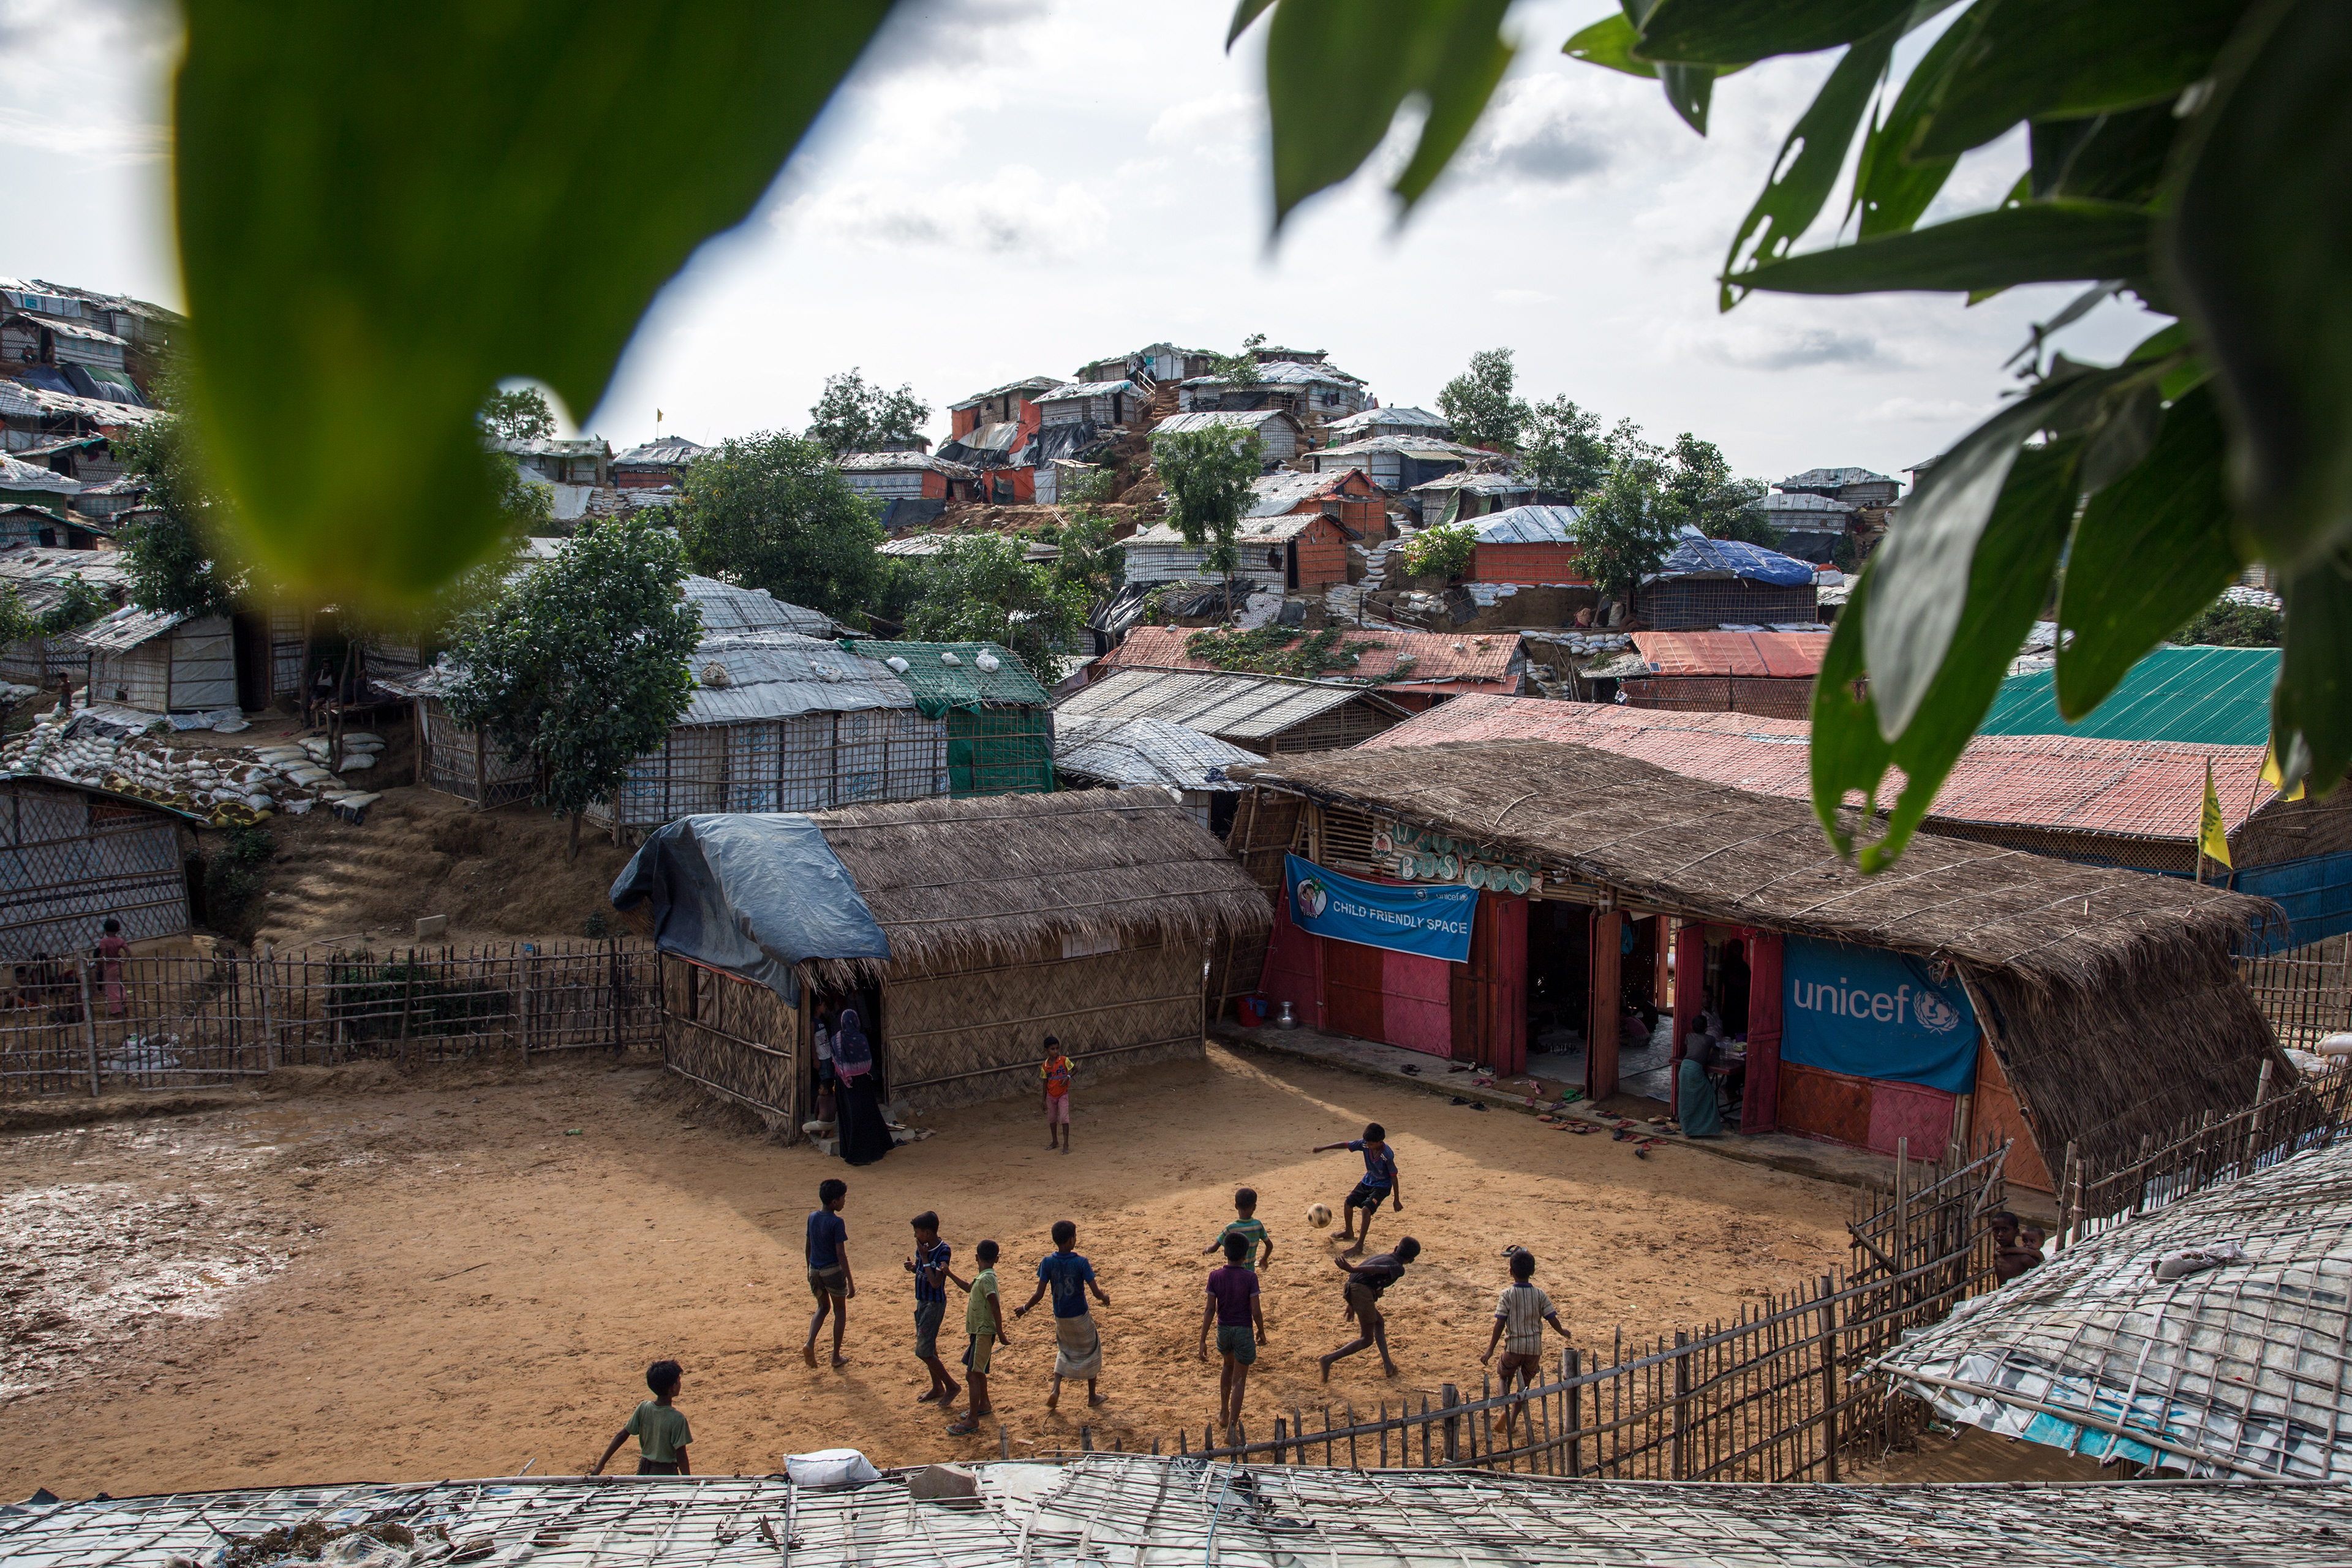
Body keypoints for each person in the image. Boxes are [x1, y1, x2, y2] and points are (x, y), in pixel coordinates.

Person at [1013, 1219, 1110, 1411]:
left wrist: (1025, 1308)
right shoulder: (1081, 1262)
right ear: (1071, 1240)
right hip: (1080, 1315)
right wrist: (1104, 1298)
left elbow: (1039, 1294)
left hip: (1060, 1316)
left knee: (1064, 1350)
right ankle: (1092, 1396)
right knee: (1092, 1349)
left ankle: (1056, 1389)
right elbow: (1095, 1292)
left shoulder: (1048, 1262)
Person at [1481, 1249, 1568, 1438]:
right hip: (1534, 1349)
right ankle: (1512, 1423)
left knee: (1504, 1378)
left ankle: (1504, 1408)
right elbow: (1552, 1319)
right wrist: (1563, 1332)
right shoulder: (1540, 1295)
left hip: (1514, 1347)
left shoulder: (1507, 1294)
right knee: (1524, 1386)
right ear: (1533, 1272)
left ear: (1510, 1271)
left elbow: (1500, 1323)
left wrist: (1490, 1350)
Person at [1319, 1237, 1420, 1381]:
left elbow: (1358, 1277)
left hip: (1354, 1287)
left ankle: (1388, 1365)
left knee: (1379, 1322)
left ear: (1396, 1248)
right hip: (1361, 1291)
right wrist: (1352, 1269)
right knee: (1366, 1339)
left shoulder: (1383, 1257)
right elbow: (1375, 1270)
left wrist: (1351, 1301)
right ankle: (1328, 1359)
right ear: (1411, 1260)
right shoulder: (1398, 1268)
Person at [1197, 1231, 1267, 1433]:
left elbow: (1210, 1310)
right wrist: (1261, 1331)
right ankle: (1232, 1428)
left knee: (1227, 1366)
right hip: (1243, 1331)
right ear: (1246, 1256)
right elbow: (1256, 1311)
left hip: (1224, 1330)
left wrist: (1202, 1340)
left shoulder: (1215, 1276)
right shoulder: (1250, 1278)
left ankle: (1223, 1413)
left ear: (1225, 1253)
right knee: (1239, 1380)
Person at [945, 1238, 1011, 1437]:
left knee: (972, 1375)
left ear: (976, 1257)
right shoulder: (984, 1278)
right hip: (979, 1332)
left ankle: (973, 1419)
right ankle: (984, 1404)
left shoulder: (986, 1279)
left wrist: (1000, 1332)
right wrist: (949, 1274)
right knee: (978, 1371)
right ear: (997, 1259)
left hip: (983, 1332)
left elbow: (995, 1305)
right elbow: (968, 1287)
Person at [589, 1359, 693, 1476]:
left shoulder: (644, 1408)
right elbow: (681, 1456)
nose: (680, 1383)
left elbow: (622, 1436)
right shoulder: (677, 1419)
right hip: (666, 1473)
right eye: (678, 1380)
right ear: (672, 1388)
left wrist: (600, 1465)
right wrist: (688, 1480)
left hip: (644, 1469)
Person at [1312, 1123, 1401, 1256]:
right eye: (1367, 1143)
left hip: (1382, 1186)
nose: (1368, 1146)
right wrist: (1323, 1148)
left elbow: (1394, 1177)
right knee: (1348, 1203)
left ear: (1380, 1142)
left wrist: (1396, 1200)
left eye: (1371, 1144)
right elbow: (1345, 1145)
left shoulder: (1387, 1155)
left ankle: (1359, 1245)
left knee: (1366, 1210)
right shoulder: (1365, 1144)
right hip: (1368, 1181)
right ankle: (1349, 1232)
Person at [905, 1210, 959, 1407]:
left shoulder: (943, 1251)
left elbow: (936, 1283)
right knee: (930, 1347)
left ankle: (951, 1386)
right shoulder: (924, 1248)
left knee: (924, 1351)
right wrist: (914, 1266)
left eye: (917, 1232)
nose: (915, 1236)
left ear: (927, 1233)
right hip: (922, 1302)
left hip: (934, 1305)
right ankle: (937, 1387)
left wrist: (925, 1258)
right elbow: (923, 1271)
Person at [803, 1177, 854, 1368]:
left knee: (823, 1308)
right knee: (840, 1311)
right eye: (843, 1198)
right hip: (832, 1271)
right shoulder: (837, 1222)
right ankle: (836, 1356)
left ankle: (810, 1343)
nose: (844, 1201)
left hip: (815, 1270)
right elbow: (841, 1253)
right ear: (834, 1202)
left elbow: (808, 1246)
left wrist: (809, 1269)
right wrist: (850, 1281)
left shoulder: (812, 1217)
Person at [831, 1006, 892, 1166]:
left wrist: (846, 1072)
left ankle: (849, 1151)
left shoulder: (836, 1040)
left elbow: (836, 1061)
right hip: (862, 1083)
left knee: (849, 1116)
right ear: (856, 1021)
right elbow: (867, 1063)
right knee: (864, 1116)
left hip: (844, 1084)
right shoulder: (862, 1039)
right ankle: (865, 1151)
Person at [1202, 1188, 1273, 1274]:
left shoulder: (1231, 1228)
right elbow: (1269, 1245)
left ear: (1236, 1206)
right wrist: (1264, 1259)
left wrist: (1207, 1249)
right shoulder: (1258, 1225)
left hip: (1233, 1273)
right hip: (1249, 1274)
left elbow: (1214, 1248)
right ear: (1254, 1207)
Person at [1040, 1035, 1072, 1153]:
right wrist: (1043, 1100)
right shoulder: (1045, 1066)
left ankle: (1066, 1144)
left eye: (1057, 1048)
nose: (1056, 1051)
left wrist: (1068, 1077)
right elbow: (1045, 1083)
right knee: (1052, 1119)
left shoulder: (1064, 1060)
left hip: (1063, 1094)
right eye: (1053, 1049)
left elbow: (1075, 1069)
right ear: (1046, 1050)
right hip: (1051, 1096)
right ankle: (1055, 1141)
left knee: (1064, 1118)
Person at [1717, 940, 1751, 1038]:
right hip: (1731, 1002)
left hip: (1743, 1003)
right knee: (1730, 1030)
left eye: (1741, 949)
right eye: (1736, 949)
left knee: (1742, 1029)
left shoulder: (1744, 966)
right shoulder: (1728, 965)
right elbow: (1731, 981)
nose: (1739, 951)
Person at [96, 917, 127, 1017]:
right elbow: (129, 953)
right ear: (118, 930)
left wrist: (98, 965)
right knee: (120, 987)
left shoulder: (104, 941)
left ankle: (117, 1012)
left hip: (109, 967)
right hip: (118, 965)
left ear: (105, 931)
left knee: (112, 990)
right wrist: (123, 962)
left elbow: (103, 955)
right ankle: (125, 1009)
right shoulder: (120, 941)